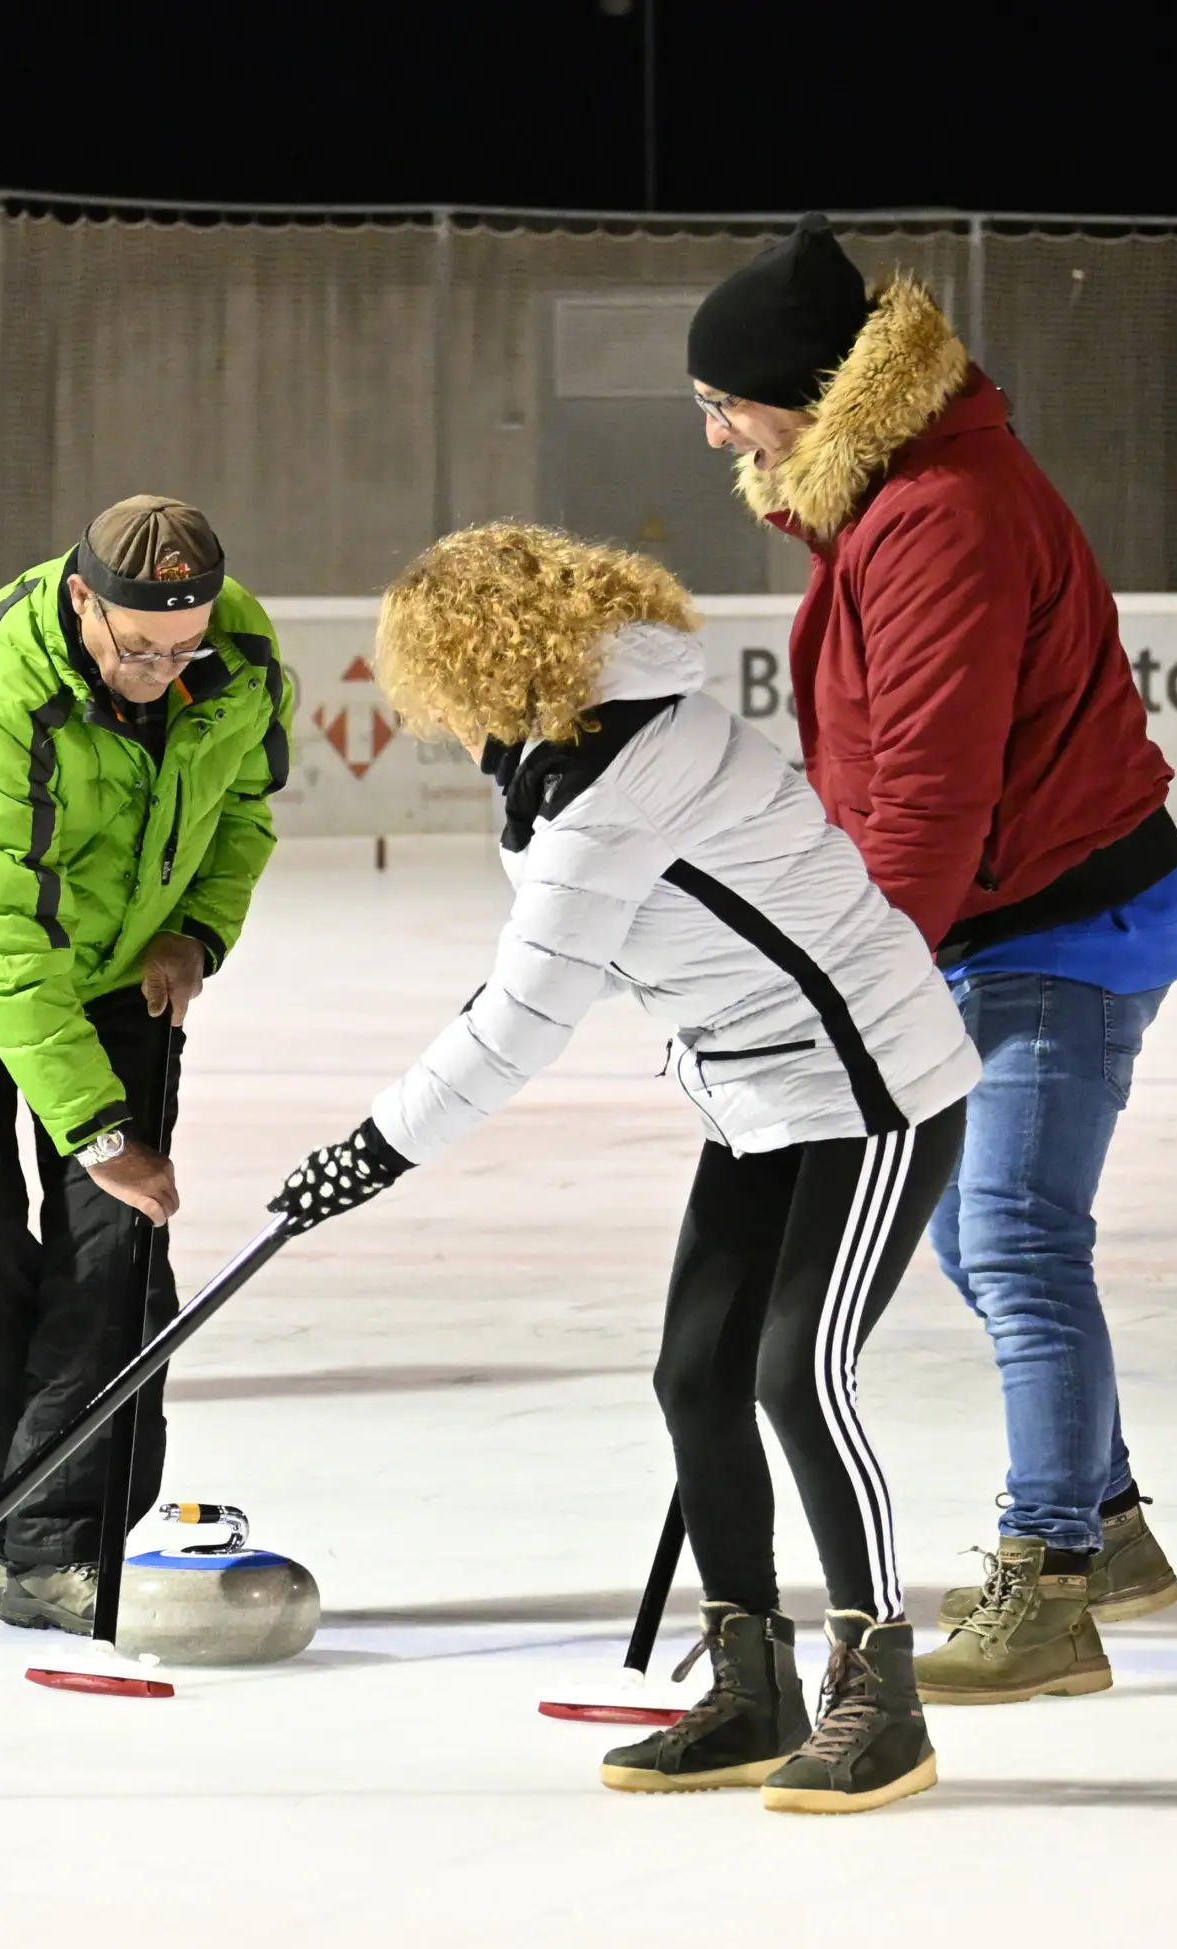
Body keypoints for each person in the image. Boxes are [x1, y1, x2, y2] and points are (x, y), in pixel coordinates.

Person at [270, 525, 979, 1813]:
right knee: (694, 1374)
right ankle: (750, 1683)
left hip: (872, 1086)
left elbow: (524, 1016)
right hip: (760, 1089)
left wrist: (374, 1147)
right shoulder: (586, 744)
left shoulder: (615, 790)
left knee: (795, 1372)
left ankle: (881, 1691)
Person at [688, 216, 1177, 1705]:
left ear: (806, 392)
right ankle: (1108, 1525)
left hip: (1057, 921)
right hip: (993, 914)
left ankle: (1049, 1586)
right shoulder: (891, 497)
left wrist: (851, 989)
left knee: (1020, 1237)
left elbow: (930, 789)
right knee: (981, 1235)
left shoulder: (943, 515)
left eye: (724, 401)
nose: (714, 432)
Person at [0, 495, 292, 1634]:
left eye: (182, 646)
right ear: (83, 597)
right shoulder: (10, 686)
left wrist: (195, 925)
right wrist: (99, 1131)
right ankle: (22, 1532)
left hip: (115, 970)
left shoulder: (236, 650)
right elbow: (5, 938)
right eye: (138, 648)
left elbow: (244, 805)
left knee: (118, 1259)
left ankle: (64, 1541)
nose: (161, 669)